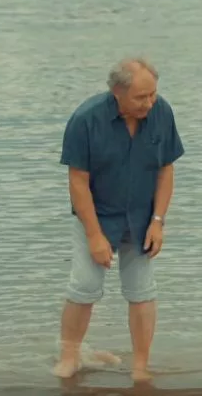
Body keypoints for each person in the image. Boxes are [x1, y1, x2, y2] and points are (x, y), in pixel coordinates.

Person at [52, 57, 185, 382]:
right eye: (141, 97)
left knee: (142, 290)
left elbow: (166, 169)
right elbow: (78, 182)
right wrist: (95, 236)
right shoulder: (85, 120)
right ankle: (69, 357)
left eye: (153, 94)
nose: (149, 103)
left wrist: (158, 221)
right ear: (117, 92)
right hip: (96, 216)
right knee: (85, 285)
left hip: (143, 217)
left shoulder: (162, 112)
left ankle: (140, 366)